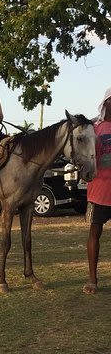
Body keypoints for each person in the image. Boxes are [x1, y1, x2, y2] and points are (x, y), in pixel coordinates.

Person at [83, 87, 111, 294]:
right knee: (95, 231)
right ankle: (92, 280)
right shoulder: (94, 128)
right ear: (106, 103)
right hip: (99, 189)